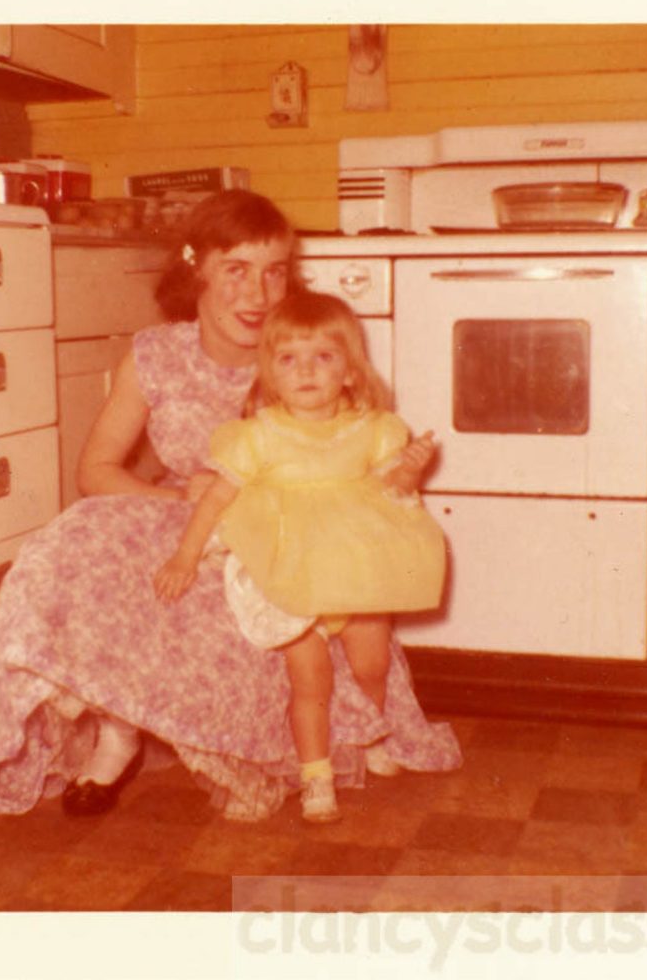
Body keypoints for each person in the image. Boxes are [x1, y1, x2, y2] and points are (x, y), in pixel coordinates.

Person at [0, 190, 462, 823]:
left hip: (281, 541)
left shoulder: (298, 356)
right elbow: (95, 470)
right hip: (185, 515)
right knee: (76, 541)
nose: (258, 293)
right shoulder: (155, 354)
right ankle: (118, 735)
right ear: (198, 269)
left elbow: (356, 457)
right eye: (237, 270)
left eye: (274, 271)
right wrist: (172, 497)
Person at [154, 292, 448, 822]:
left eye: (324, 357)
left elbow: (393, 491)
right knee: (311, 680)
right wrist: (185, 556)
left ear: (351, 372)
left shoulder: (372, 428)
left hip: (360, 571)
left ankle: (365, 736)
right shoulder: (260, 436)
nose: (306, 371)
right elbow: (218, 499)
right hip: (289, 573)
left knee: (371, 665)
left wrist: (410, 467)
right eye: (289, 359)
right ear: (270, 373)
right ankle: (316, 776)